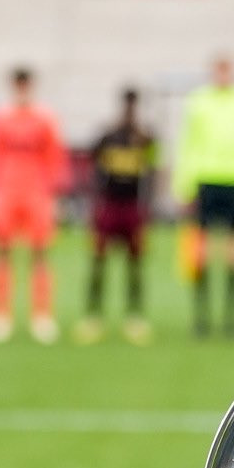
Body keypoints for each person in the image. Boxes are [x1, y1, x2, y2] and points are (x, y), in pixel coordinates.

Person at [172, 55, 234, 336]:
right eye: (219, 71)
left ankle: (231, 316)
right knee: (201, 250)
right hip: (206, 180)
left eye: (227, 71)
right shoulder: (199, 101)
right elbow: (189, 144)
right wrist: (185, 185)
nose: (223, 76)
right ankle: (201, 315)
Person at [0, 67, 68, 344]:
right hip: (6, 189)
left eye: (25, 85)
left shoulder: (45, 118)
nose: (22, 90)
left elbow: (54, 157)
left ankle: (41, 314)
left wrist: (56, 195)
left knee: (40, 252)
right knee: (2, 251)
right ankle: (0, 314)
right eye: (18, 85)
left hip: (37, 190)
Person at [80, 88, 158, 344]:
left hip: (132, 208)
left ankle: (134, 316)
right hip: (109, 206)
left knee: (134, 264)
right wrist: (94, 205)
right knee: (98, 261)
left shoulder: (145, 139)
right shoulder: (107, 137)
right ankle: (93, 315)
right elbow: (93, 169)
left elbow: (152, 173)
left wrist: (148, 210)